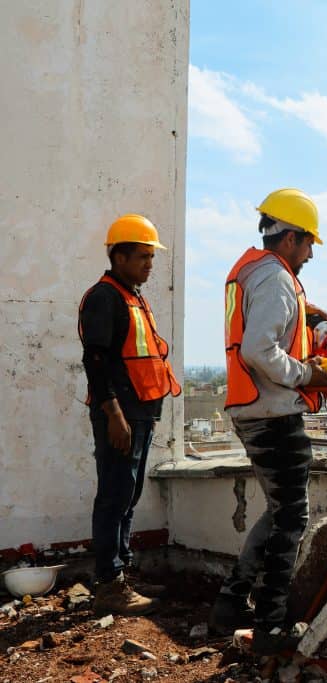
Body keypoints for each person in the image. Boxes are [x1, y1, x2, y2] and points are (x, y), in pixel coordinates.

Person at [208, 188, 327, 653]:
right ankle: (271, 627)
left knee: (280, 511)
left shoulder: (253, 271)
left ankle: (231, 602)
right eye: (309, 244)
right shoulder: (276, 279)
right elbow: (259, 350)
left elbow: (260, 332)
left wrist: (306, 315)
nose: (311, 255)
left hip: (253, 410)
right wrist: (309, 375)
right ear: (291, 238)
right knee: (292, 519)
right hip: (273, 414)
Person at [78, 214, 181, 615]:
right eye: (142, 257)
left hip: (139, 413)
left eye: (151, 257)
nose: (149, 264)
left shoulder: (131, 295)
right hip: (120, 415)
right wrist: (114, 415)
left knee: (128, 495)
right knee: (114, 495)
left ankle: (121, 572)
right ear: (119, 257)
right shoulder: (105, 297)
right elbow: (96, 361)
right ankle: (109, 584)